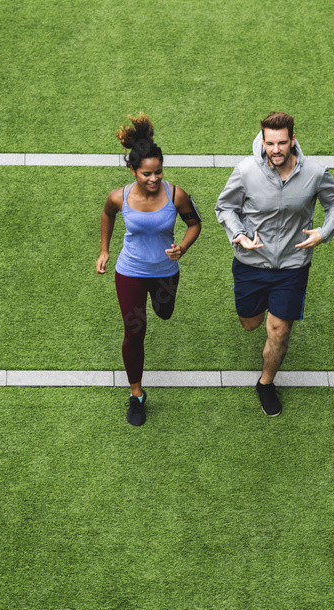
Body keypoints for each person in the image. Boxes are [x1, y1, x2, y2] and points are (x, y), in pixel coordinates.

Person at [215, 111, 334, 416]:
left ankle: (265, 383)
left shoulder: (315, 173)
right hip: (251, 262)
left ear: (293, 140)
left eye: (282, 143)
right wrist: (238, 234)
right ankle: (257, 312)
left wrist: (324, 232)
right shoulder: (246, 171)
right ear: (263, 140)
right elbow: (225, 207)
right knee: (251, 324)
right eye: (270, 142)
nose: (275, 149)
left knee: (279, 331)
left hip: (292, 266)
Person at [96, 114, 201, 426]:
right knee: (134, 331)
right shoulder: (120, 197)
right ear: (133, 171)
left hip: (166, 272)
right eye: (146, 174)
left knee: (164, 312)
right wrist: (104, 249)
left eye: (158, 172)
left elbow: (194, 224)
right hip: (129, 271)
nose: (153, 179)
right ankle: (136, 394)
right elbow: (107, 214)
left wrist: (183, 246)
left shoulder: (175, 195)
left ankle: (161, 303)